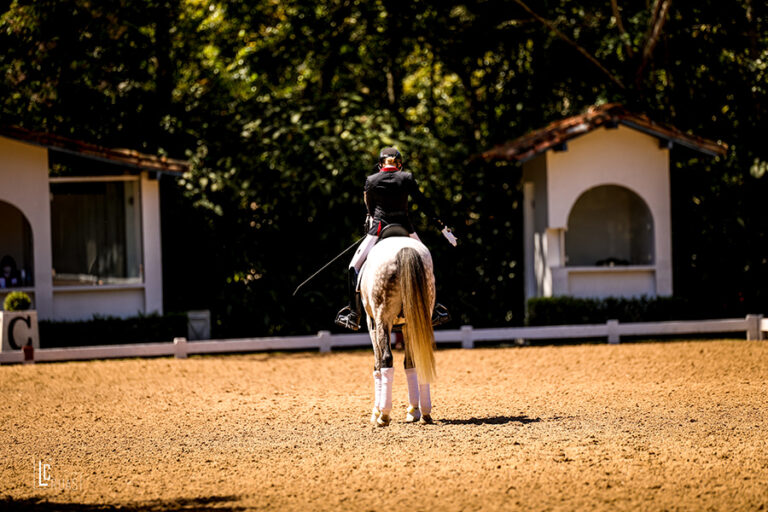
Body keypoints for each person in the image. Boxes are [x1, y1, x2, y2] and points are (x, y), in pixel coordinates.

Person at [334, 147, 452, 331]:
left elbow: (371, 210)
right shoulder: (407, 178)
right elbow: (424, 204)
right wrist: (442, 226)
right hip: (405, 226)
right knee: (428, 264)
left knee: (353, 267)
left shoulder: (371, 181)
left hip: (379, 228)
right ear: (400, 164)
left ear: (380, 164)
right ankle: (435, 309)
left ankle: (353, 314)